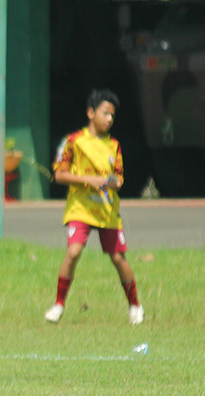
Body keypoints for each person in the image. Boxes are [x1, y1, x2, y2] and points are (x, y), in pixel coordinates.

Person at [44, 89, 144, 325]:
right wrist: (87, 180)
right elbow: (60, 175)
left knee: (118, 258)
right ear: (91, 113)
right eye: (105, 113)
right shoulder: (74, 142)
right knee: (73, 252)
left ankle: (135, 305)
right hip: (81, 208)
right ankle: (59, 305)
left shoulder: (115, 146)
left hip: (106, 211)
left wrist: (110, 183)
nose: (109, 119)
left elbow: (119, 178)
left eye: (112, 115)